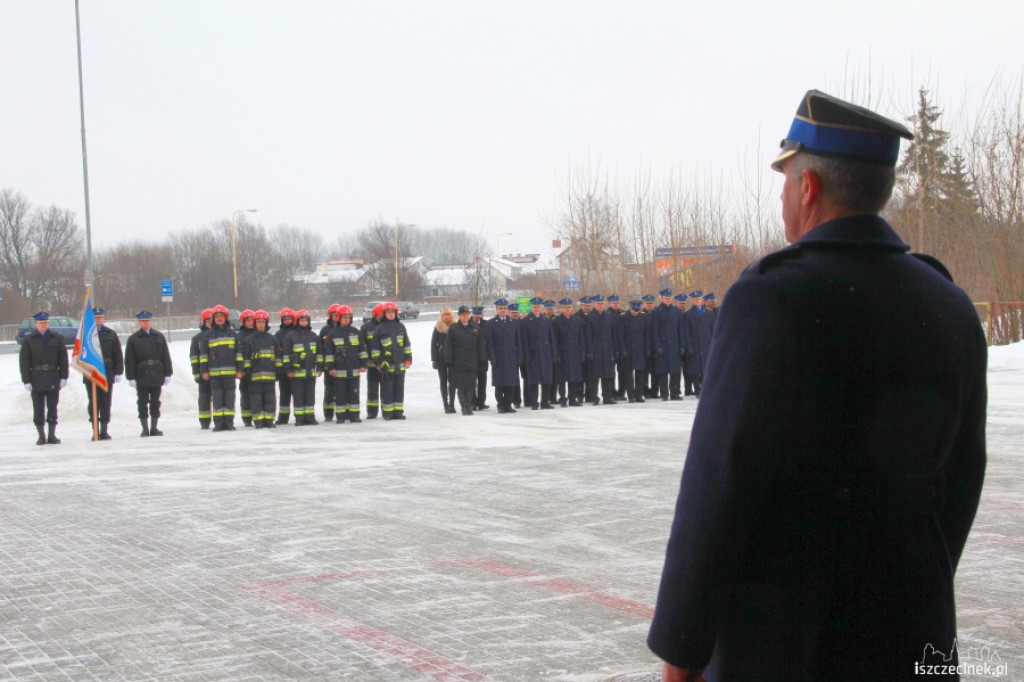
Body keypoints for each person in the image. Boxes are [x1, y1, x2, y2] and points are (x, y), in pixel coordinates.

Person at [648, 89, 987, 682]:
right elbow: (963, 476)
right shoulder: (949, 303)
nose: (782, 197)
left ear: (807, 188)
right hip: (914, 630)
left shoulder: (770, 300)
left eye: (785, 180)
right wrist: (914, 581)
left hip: (787, 640)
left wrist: (683, 649)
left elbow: (719, 486)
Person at [19, 312, 69, 445]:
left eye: (45, 323)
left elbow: (63, 359)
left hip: (53, 376)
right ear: (36, 324)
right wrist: (26, 380)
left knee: (52, 407)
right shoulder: (29, 340)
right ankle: (41, 435)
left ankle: (52, 434)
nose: (43, 325)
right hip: (37, 378)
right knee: (38, 408)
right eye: (41, 323)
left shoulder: (56, 338)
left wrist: (64, 377)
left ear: (48, 323)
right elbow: (24, 362)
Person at [124, 311, 173, 437]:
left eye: (148, 320)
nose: (146, 323)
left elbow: (165, 356)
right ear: (139, 322)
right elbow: (129, 359)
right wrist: (131, 377)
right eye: (143, 321)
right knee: (142, 402)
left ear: (151, 321)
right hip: (142, 374)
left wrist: (168, 373)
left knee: (155, 402)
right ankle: (145, 428)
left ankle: (154, 427)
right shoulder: (134, 339)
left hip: (156, 372)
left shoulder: (158, 336)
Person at [199, 304, 243, 431]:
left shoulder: (233, 334)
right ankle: (218, 424)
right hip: (215, 375)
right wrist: (204, 371)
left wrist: (239, 369)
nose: (219, 319)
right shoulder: (208, 335)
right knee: (217, 399)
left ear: (226, 318)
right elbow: (203, 356)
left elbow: (238, 354)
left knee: (229, 399)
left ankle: (229, 423)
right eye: (217, 316)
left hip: (230, 374)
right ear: (213, 319)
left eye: (221, 316)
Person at [84, 307, 124, 440]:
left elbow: (117, 354)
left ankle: (104, 430)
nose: (98, 320)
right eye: (95, 317)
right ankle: (95, 430)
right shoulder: (87, 335)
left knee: (106, 402)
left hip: (107, 372)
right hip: (92, 373)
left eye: (100, 317)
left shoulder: (110, 334)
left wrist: (118, 371)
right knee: (93, 403)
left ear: (104, 318)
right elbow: (82, 354)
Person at [370, 302, 412, 420]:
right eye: (388, 312)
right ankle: (387, 413)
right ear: (384, 314)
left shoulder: (401, 327)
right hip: (386, 366)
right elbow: (375, 348)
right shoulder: (380, 329)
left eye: (392, 312)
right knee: (387, 390)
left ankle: (398, 412)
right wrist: (378, 363)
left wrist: (408, 359)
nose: (390, 315)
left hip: (400, 365)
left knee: (399, 390)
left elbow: (406, 344)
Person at [324, 305, 366, 422]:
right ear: (338, 318)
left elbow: (362, 350)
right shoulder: (333, 333)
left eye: (348, 317)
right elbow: (329, 353)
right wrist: (330, 367)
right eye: (344, 317)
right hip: (339, 372)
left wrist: (363, 364)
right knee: (340, 395)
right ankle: (341, 416)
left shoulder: (356, 332)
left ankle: (354, 415)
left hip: (354, 371)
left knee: (354, 394)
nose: (346, 319)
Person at [444, 305, 487, 415]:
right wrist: (449, 360)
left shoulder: (476, 327)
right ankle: (464, 406)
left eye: (467, 314)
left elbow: (481, 346)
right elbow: (449, 346)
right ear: (459, 316)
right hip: (459, 362)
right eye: (463, 314)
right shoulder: (454, 328)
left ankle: (469, 404)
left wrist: (482, 360)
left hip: (472, 361)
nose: (465, 316)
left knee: (471, 385)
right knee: (461, 386)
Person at [283, 310, 322, 425]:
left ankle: (310, 417)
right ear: (297, 322)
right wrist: (288, 369)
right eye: (302, 320)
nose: (304, 323)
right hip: (297, 374)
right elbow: (286, 355)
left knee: (310, 396)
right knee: (298, 397)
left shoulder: (314, 336)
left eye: (306, 321)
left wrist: (319, 367)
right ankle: (299, 418)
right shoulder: (291, 337)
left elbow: (319, 354)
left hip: (310, 373)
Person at [518, 296, 558, 410]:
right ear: (531, 307)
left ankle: (545, 402)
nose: (536, 309)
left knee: (546, 379)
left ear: (542, 308)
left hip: (545, 354)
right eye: (534, 307)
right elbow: (524, 340)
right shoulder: (525, 321)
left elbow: (552, 339)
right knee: (533, 380)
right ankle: (534, 402)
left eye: (538, 307)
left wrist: (554, 353)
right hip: (533, 354)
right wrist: (526, 354)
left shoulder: (547, 321)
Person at [243, 310, 280, 428]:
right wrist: (247, 372)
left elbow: (278, 357)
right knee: (256, 401)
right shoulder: (249, 340)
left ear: (266, 323)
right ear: (255, 323)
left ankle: (269, 421)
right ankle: (258, 422)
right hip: (255, 377)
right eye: (258, 322)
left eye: (263, 322)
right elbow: (246, 358)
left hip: (270, 377)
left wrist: (279, 371)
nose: (261, 324)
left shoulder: (273, 339)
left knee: (270, 400)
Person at [485, 298, 520, 413]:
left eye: (504, 308)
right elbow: (489, 342)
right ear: (496, 310)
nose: (503, 310)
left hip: (511, 357)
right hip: (499, 357)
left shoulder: (512, 322)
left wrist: (519, 356)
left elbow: (517, 341)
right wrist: (492, 357)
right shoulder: (491, 323)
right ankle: (500, 404)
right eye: (500, 308)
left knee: (511, 382)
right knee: (499, 383)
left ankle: (508, 404)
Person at [552, 297, 586, 407]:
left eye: (569, 307)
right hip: (562, 353)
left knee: (574, 377)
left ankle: (572, 398)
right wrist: (556, 354)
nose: (567, 309)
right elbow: (555, 340)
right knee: (562, 378)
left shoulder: (577, 321)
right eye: (565, 307)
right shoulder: (556, 322)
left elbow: (581, 338)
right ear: (561, 309)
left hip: (574, 352)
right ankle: (562, 398)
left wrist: (582, 353)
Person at [585, 294, 617, 405]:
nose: (600, 306)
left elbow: (613, 334)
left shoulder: (608, 316)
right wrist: (589, 351)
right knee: (594, 376)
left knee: (607, 375)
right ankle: (594, 397)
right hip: (596, 350)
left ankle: (607, 396)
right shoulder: (589, 317)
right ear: (594, 304)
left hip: (607, 349)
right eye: (598, 304)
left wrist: (614, 349)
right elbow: (588, 336)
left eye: (602, 304)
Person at [189, 308, 214, 429]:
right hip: (203, 375)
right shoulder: (196, 339)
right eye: (207, 320)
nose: (210, 323)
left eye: (211, 320)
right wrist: (196, 373)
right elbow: (194, 358)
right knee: (204, 400)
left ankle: (220, 420)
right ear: (202, 322)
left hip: (216, 374)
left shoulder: (217, 336)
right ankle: (204, 422)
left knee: (219, 399)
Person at [361, 303, 385, 419]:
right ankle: (372, 412)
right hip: (371, 365)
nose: (381, 316)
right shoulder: (366, 328)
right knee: (372, 391)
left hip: (385, 364)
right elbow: (362, 347)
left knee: (387, 390)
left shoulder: (388, 327)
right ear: (375, 314)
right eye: (380, 314)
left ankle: (387, 411)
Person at [431, 307, 456, 413]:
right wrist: (434, 360)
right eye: (444, 315)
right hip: (441, 357)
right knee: (443, 381)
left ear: (451, 316)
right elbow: (433, 344)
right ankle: (445, 404)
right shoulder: (438, 327)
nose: (446, 317)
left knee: (453, 382)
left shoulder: (455, 327)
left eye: (448, 315)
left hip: (453, 358)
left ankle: (452, 404)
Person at [319, 303, 341, 421]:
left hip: (342, 366)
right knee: (329, 391)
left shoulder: (345, 329)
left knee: (342, 391)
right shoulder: (325, 330)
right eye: (334, 314)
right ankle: (328, 413)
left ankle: (342, 412)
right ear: (329, 315)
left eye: (338, 314)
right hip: (328, 367)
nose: (336, 317)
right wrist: (322, 366)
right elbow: (320, 349)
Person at [274, 308, 297, 424]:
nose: (287, 321)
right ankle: (283, 417)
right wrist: (279, 370)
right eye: (285, 319)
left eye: (289, 319)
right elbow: (277, 353)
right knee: (284, 395)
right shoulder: (278, 335)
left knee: (298, 394)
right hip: (283, 370)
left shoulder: (297, 332)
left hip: (297, 369)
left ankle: (300, 416)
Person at [470, 306, 490, 410]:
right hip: (472, 357)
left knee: (483, 381)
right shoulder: (468, 325)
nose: (477, 317)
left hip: (483, 357)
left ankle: (481, 402)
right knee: (472, 382)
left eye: (479, 315)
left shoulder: (486, 325)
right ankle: (473, 402)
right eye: (475, 315)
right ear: (472, 314)